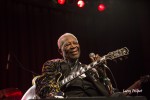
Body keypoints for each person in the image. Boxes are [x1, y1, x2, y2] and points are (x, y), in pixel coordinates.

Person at [35, 33, 114, 99]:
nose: (73, 46)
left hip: (95, 98)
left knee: (121, 96)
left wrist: (103, 74)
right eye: (67, 44)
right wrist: (61, 96)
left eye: (75, 43)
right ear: (60, 51)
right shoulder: (53, 65)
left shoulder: (91, 70)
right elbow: (46, 89)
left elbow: (110, 93)